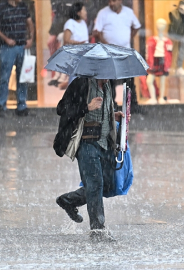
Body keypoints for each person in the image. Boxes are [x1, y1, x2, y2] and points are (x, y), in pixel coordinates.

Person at [54, 76, 125, 242]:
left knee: (106, 184)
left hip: (105, 142)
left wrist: (112, 115)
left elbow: (102, 112)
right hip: (86, 142)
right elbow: (62, 108)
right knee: (95, 184)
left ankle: (68, 201)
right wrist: (86, 107)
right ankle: (98, 230)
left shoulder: (108, 86)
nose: (110, 76)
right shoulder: (81, 84)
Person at [93, 0, 142, 113]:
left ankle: (132, 104)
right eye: (109, 1)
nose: (111, 3)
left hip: (125, 52)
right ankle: (112, 105)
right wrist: (107, 44)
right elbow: (96, 32)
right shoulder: (103, 13)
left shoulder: (128, 12)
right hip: (109, 53)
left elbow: (137, 26)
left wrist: (129, 37)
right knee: (110, 81)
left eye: (114, 1)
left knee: (129, 79)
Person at [0, 0, 34, 117]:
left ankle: (21, 106)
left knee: (23, 77)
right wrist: (5, 38)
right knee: (4, 77)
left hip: (21, 46)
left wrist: (30, 38)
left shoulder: (23, 6)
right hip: (7, 47)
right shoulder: (1, 7)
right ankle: (1, 105)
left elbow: (30, 22)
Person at [49, 2, 89, 88]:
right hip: (74, 57)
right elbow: (66, 40)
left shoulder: (83, 23)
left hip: (84, 56)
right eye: (84, 10)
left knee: (83, 82)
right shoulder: (70, 23)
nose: (86, 12)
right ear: (78, 12)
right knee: (74, 81)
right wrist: (79, 43)